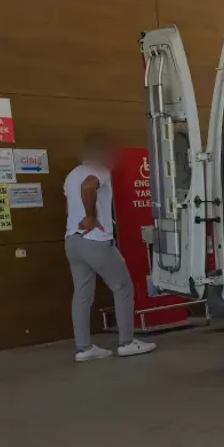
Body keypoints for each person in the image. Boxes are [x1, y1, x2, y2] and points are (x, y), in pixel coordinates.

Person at [63, 134, 156, 362]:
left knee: (82, 293)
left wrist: (80, 220)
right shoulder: (99, 171)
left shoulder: (72, 174)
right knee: (123, 287)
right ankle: (126, 342)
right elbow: (88, 186)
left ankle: (84, 348)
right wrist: (91, 217)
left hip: (73, 240)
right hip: (95, 240)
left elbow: (69, 206)